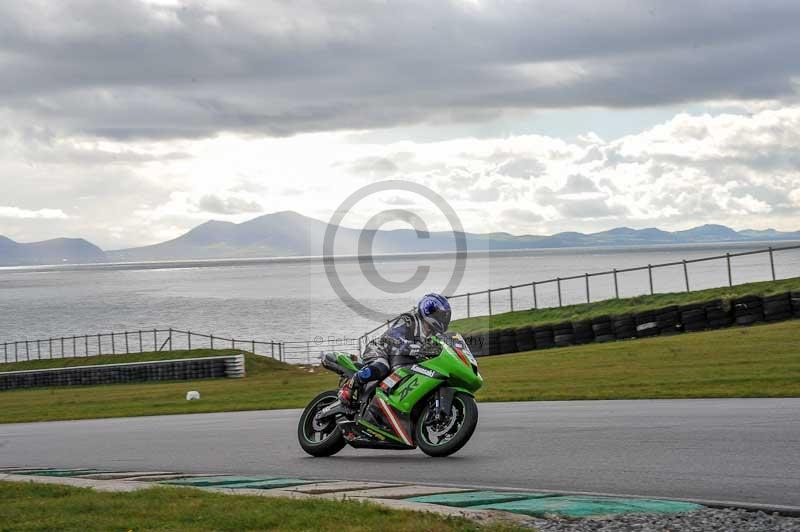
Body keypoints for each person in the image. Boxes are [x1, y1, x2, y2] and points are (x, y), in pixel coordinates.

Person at [338, 293, 452, 407]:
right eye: (442, 315)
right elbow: (393, 334)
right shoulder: (409, 319)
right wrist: (407, 343)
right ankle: (350, 385)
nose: (444, 319)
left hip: (401, 358)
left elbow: (441, 349)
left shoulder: (434, 335)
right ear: (429, 310)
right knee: (382, 367)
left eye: (445, 316)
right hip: (381, 349)